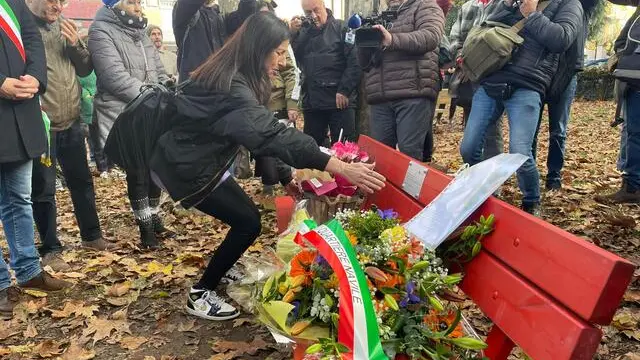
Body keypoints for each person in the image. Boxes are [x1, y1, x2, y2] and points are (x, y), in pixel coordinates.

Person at [109, 12, 385, 320]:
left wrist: (284, 176)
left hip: (193, 157)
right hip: (185, 165)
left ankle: (221, 270)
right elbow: (271, 133)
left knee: (246, 219)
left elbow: (259, 135)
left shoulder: (236, 73)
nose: (282, 61)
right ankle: (201, 294)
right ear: (259, 48)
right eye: (279, 52)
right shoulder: (232, 85)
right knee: (248, 222)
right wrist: (337, 166)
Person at [459, 0, 583, 216]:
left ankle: (531, 200)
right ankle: (483, 190)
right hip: (492, 78)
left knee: (520, 152)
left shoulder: (570, 4)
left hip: (529, 83)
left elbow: (562, 39)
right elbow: (487, 21)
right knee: (468, 147)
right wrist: (507, 5)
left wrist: (532, 14)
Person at [26, 0, 113, 272]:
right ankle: (51, 248)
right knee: (44, 190)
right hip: (42, 123)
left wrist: (76, 44)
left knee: (82, 181)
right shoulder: (24, 28)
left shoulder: (64, 27)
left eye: (63, 2)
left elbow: (86, 69)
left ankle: (92, 236)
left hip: (72, 119)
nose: (59, 8)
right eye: (53, 1)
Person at [0, 0, 71, 319]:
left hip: (21, 115)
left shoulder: (13, 3)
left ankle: (29, 270)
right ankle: (1, 285)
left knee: (20, 198)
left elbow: (32, 41)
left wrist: (35, 78)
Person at [89, 0, 172, 248]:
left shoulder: (141, 31)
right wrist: (149, 94)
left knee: (155, 166)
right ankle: (145, 228)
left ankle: (155, 217)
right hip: (124, 111)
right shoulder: (100, 30)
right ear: (116, 5)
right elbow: (113, 76)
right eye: (131, 2)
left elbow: (157, 68)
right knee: (138, 170)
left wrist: (166, 84)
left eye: (139, 2)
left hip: (149, 107)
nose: (138, 8)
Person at [361, 0, 445, 162]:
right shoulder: (377, 16)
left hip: (413, 92)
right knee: (381, 156)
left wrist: (392, 40)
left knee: (409, 154)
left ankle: (411, 188)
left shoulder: (425, 6)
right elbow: (365, 64)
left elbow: (430, 36)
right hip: (380, 96)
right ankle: (386, 188)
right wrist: (362, 44)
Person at [532, 0, 596, 191]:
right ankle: (528, 172)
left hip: (567, 71)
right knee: (531, 129)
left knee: (558, 130)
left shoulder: (583, 5)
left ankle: (554, 176)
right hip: (539, 69)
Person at [290, 0, 362, 146]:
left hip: (339, 101)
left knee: (344, 150)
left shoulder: (343, 28)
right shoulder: (303, 33)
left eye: (316, 10)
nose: (314, 16)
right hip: (313, 103)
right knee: (313, 152)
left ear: (324, 5)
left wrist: (344, 90)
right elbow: (292, 60)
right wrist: (292, 34)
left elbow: (355, 61)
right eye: (308, 13)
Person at [255, 1, 301, 199]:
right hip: (260, 104)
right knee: (266, 147)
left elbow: (293, 73)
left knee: (279, 144)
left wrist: (292, 103)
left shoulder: (282, 42)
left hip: (278, 102)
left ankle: (284, 182)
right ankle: (269, 187)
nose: (280, 62)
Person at [595, 0, 640, 203]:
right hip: (632, 76)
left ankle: (632, 187)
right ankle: (631, 183)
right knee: (632, 132)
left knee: (635, 133)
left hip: (636, 77)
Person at [448, 0, 503, 158]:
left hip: (492, 77)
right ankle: (473, 170)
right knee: (471, 127)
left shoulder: (505, 5)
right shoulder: (466, 7)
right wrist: (463, 61)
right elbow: (454, 39)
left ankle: (493, 174)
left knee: (492, 127)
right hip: (467, 76)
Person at [173, 0, 226, 81]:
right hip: (195, 86)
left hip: (221, 83)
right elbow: (187, 4)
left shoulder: (219, 16)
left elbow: (244, 14)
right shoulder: (183, 9)